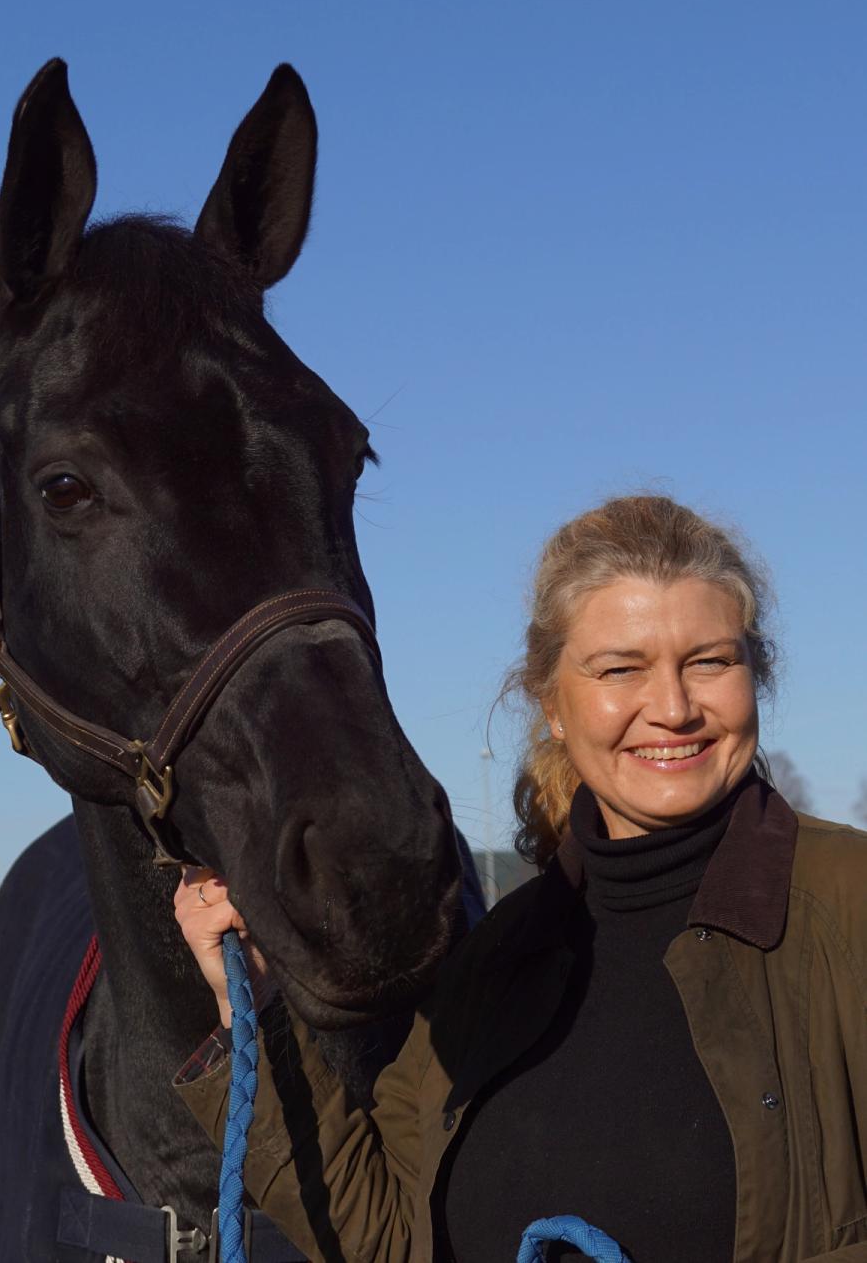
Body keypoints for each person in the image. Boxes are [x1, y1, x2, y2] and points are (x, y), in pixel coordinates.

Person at [174, 495, 867, 1263]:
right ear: (554, 706)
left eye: (709, 661)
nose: (673, 708)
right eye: (620, 669)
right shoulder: (499, 959)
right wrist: (258, 1004)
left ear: (754, 676)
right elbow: (389, 1235)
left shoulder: (850, 909)